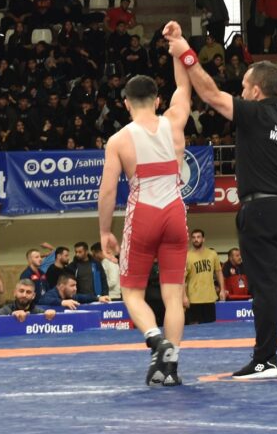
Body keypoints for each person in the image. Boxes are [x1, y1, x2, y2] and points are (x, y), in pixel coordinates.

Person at [165, 21, 277, 379]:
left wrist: (186, 52)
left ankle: (265, 360)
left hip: (261, 209)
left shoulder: (254, 112)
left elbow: (209, 93)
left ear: (257, 90)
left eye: (246, 87)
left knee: (264, 286)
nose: (243, 92)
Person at [98, 62, 193, 388]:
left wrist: (104, 231)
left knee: (132, 292)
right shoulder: (174, 121)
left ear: (126, 103)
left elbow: (108, 191)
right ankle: (171, 367)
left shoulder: (119, 140)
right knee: (173, 295)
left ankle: (156, 340)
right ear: (158, 100)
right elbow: (184, 89)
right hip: (175, 212)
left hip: (144, 215)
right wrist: (178, 50)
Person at [183, 229, 226, 324]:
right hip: (193, 299)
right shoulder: (187, 256)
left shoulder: (212, 254)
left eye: (198, 237)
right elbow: (182, 279)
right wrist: (184, 296)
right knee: (194, 327)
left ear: (203, 239)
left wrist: (222, 290)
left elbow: (219, 272)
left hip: (210, 298)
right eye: (194, 237)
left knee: (211, 326)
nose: (196, 239)